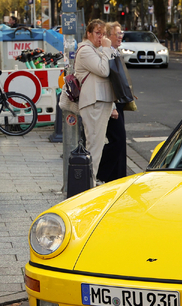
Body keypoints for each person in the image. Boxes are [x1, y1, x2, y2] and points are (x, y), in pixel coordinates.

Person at [75, 19, 115, 185]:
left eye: (104, 33)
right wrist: (106, 48)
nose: (101, 37)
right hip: (93, 103)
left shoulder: (96, 50)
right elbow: (104, 70)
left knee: (98, 145)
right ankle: (88, 183)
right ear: (89, 34)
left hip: (100, 101)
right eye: (98, 33)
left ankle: (90, 181)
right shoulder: (86, 50)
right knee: (94, 146)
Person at [98, 21, 133, 183]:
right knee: (117, 140)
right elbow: (107, 80)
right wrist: (112, 106)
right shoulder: (106, 53)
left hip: (118, 101)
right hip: (111, 103)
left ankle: (118, 177)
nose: (120, 37)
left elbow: (120, 78)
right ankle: (100, 173)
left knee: (120, 140)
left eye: (121, 34)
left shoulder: (115, 52)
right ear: (108, 36)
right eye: (117, 34)